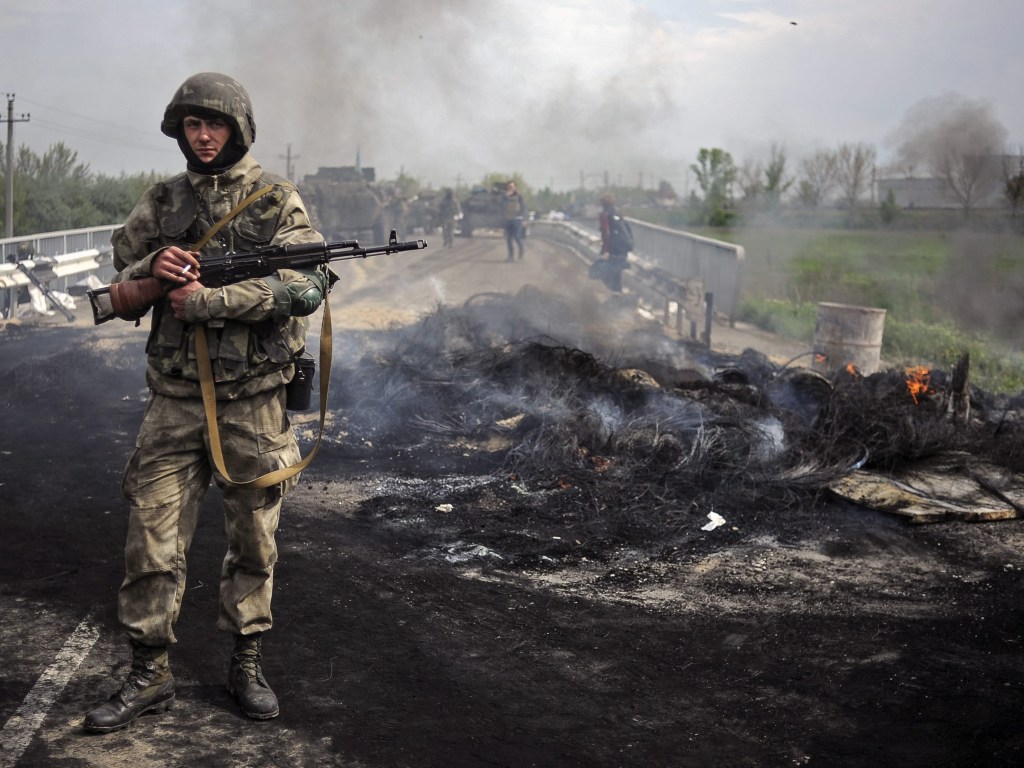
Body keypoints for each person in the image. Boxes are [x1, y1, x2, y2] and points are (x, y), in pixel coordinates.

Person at [83, 72, 331, 733]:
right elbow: (121, 277)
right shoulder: (161, 201)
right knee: (151, 542)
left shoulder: (276, 201)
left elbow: (310, 286)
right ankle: (149, 672)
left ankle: (246, 662)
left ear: (239, 129)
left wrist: (216, 300)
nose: (203, 134)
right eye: (192, 125)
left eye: (214, 123)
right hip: (174, 402)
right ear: (179, 132)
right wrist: (154, 272)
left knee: (254, 542)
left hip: (253, 403)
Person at [598, 194, 633, 293]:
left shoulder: (605, 215)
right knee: (617, 271)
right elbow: (627, 230)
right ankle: (617, 293)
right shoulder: (619, 213)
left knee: (606, 271)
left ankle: (615, 295)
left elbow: (606, 233)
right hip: (625, 246)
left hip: (614, 248)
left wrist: (606, 250)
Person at [502, 180, 526, 261]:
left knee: (517, 237)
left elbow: (523, 207)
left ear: (515, 187)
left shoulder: (519, 196)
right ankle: (511, 256)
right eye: (509, 187)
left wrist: (524, 218)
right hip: (508, 219)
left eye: (512, 187)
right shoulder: (504, 197)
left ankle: (521, 250)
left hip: (517, 219)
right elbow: (502, 207)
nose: (510, 188)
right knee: (508, 238)